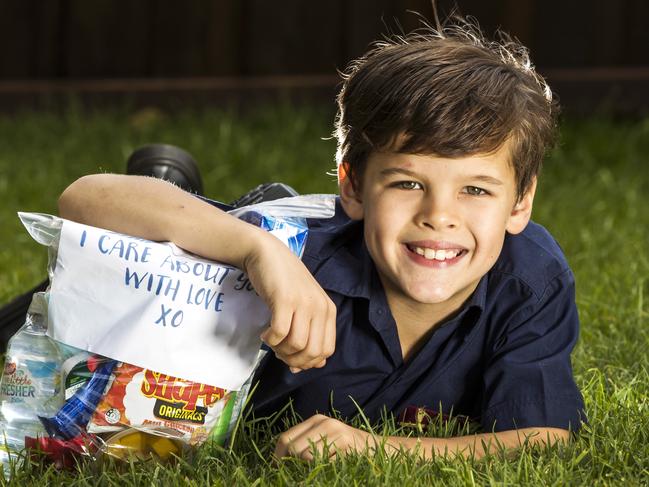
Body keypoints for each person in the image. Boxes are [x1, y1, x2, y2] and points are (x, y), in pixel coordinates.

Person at [57, 18, 585, 460]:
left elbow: (544, 439)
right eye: (407, 183)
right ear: (353, 186)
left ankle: (174, 183)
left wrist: (375, 448)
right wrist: (258, 251)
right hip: (268, 227)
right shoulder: (293, 248)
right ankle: (170, 185)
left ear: (520, 203)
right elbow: (84, 200)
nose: (438, 217)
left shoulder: (530, 279)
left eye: (475, 189)